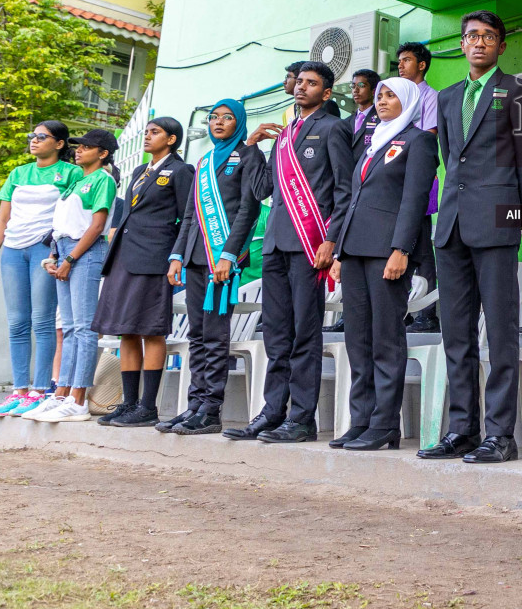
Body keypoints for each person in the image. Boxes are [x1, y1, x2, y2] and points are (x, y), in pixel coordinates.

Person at [419, 11, 522, 464]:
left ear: (501, 45)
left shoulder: (518, 92)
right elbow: (450, 158)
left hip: (495, 223)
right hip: (451, 225)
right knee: (455, 332)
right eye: (471, 36)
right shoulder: (450, 97)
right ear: (462, 43)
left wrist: (517, 214)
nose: (478, 43)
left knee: (501, 330)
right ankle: (461, 429)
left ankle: (500, 435)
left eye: (488, 37)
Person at [231, 62, 354, 443]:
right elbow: (263, 189)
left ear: (326, 93)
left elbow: (344, 192)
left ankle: (302, 418)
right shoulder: (284, 137)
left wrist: (331, 241)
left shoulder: (333, 129)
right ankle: (272, 413)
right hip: (275, 244)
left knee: (305, 332)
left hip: (309, 244)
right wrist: (251, 149)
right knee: (277, 334)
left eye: (311, 83)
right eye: (299, 81)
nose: (301, 87)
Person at [329, 77, 439, 451]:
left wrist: (402, 249)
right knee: (357, 338)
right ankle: (360, 420)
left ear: (408, 100)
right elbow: (353, 200)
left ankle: (384, 424)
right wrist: (341, 252)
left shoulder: (420, 141)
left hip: (387, 252)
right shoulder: (373, 144)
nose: (382, 101)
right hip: (356, 250)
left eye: (391, 95)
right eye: (379, 96)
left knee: (385, 338)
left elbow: (414, 200)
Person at [164, 99, 268, 436]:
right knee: (197, 333)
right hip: (195, 257)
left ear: (238, 122)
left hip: (222, 261)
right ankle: (194, 404)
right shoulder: (205, 160)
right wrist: (177, 255)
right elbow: (191, 214)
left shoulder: (250, 154)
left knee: (214, 334)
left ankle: (211, 409)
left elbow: (248, 211)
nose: (218, 122)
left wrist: (228, 254)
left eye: (226, 118)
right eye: (213, 117)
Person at [92, 118, 194, 428]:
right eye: (146, 132)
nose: (147, 137)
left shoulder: (180, 170)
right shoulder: (139, 171)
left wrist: (176, 256)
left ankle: (148, 407)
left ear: (172, 139)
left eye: (155, 132)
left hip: (154, 257)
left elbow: (187, 218)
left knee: (150, 328)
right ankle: (129, 403)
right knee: (126, 329)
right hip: (125, 255)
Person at [0, 122, 84, 418]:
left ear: (60, 144)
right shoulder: (19, 173)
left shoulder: (71, 173)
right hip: (13, 251)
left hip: (45, 249)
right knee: (16, 322)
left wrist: (62, 254)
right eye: (33, 136)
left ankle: (40, 391)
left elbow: (75, 213)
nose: (34, 141)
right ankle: (18, 391)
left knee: (42, 321)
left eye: (42, 137)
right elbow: (3, 219)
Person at [25, 130, 119, 423]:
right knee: (68, 328)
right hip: (64, 250)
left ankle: (79, 399)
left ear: (102, 153)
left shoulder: (103, 179)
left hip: (85, 252)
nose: (79, 151)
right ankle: (62, 394)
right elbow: (62, 224)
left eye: (87, 147)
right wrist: (54, 255)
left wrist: (70, 258)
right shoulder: (76, 180)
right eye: (78, 147)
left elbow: (96, 225)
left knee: (83, 328)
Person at [395, 42, 441, 331]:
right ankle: (406, 311)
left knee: (422, 248)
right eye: (399, 60)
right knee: (400, 247)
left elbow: (429, 134)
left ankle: (427, 314)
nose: (400, 65)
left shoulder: (431, 97)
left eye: (407, 60)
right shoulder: (397, 96)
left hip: (418, 179)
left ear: (422, 65)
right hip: (393, 180)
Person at [347, 69, 381, 153]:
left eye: (361, 85)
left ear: (373, 91)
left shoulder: (381, 119)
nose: (355, 90)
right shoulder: (346, 121)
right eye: (353, 86)